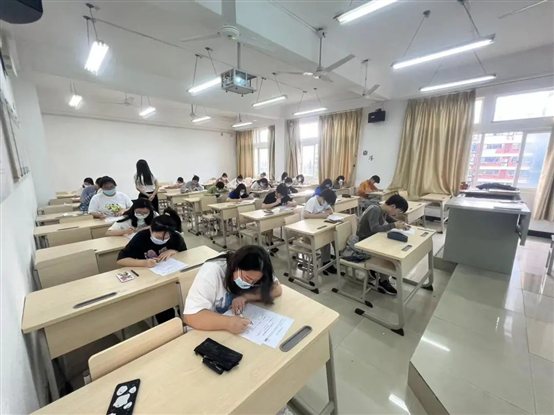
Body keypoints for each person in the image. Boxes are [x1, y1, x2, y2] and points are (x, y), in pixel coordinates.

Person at [182, 245, 282, 333]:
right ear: (236, 266)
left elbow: (277, 289)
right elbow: (190, 316)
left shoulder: (259, 269)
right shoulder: (212, 271)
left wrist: (246, 297)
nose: (249, 284)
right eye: (247, 279)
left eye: (255, 282)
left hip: (233, 329)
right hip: (209, 328)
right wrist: (228, 323)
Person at [117, 212, 186, 323]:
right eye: (159, 237)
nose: (163, 240)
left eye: (166, 237)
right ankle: (171, 326)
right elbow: (121, 259)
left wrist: (174, 250)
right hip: (152, 281)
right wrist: (144, 263)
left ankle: (184, 319)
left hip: (173, 277)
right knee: (163, 307)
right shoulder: (140, 237)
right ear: (150, 229)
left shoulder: (175, 236)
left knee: (183, 299)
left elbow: (186, 255)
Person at [347, 194, 410, 296]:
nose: (397, 214)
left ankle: (378, 271)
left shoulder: (382, 210)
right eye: (398, 212)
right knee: (387, 252)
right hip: (364, 243)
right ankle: (383, 280)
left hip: (371, 240)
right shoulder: (375, 210)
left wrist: (401, 223)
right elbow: (375, 228)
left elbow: (389, 219)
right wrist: (394, 225)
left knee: (391, 245)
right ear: (393, 206)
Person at [302, 189, 338, 274]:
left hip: (317, 226)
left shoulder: (324, 201)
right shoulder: (313, 201)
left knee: (334, 235)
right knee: (325, 239)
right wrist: (320, 215)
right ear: (323, 197)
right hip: (308, 230)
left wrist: (324, 213)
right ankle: (326, 263)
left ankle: (337, 257)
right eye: (327, 202)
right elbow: (305, 215)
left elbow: (330, 211)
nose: (327, 204)